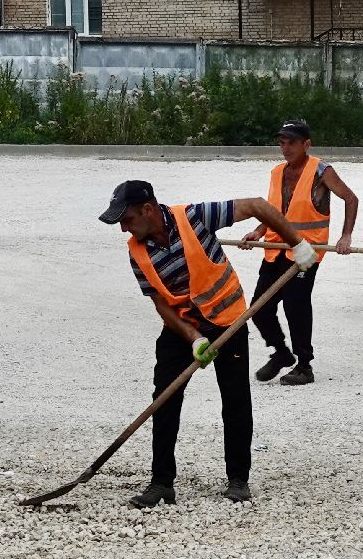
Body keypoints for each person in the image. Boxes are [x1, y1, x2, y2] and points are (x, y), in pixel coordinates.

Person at [100, 179, 316, 508]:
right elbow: (161, 304)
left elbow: (257, 205)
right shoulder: (137, 252)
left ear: (147, 209)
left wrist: (296, 244)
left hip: (228, 319)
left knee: (235, 400)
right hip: (183, 327)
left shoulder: (195, 217)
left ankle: (238, 480)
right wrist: (194, 338)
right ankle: (161, 483)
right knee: (164, 399)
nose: (124, 229)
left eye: (126, 219)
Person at [238, 119, 359, 386]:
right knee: (259, 308)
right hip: (274, 249)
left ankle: (304, 365)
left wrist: (346, 236)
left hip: (305, 252)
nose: (286, 148)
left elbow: (351, 199)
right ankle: (281, 353)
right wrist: (258, 232)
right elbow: (274, 211)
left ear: (306, 144)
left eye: (292, 142)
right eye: (282, 142)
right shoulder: (277, 172)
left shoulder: (321, 171)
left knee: (296, 307)